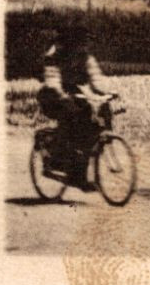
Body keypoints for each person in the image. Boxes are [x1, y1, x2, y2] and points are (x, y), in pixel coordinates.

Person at [37, 22, 115, 185]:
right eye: (80, 42)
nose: (84, 46)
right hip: (52, 97)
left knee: (92, 126)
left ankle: (79, 174)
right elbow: (52, 79)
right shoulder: (54, 56)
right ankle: (56, 157)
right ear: (71, 43)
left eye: (85, 43)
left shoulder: (86, 58)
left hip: (75, 95)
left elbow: (96, 79)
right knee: (72, 122)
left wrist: (107, 93)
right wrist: (60, 94)